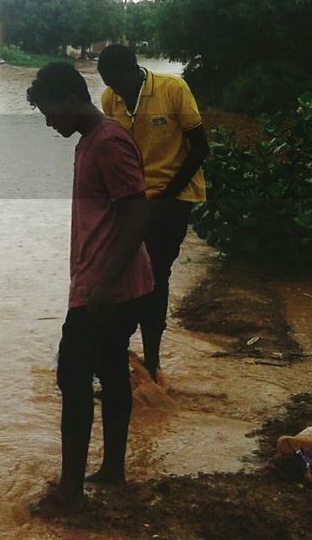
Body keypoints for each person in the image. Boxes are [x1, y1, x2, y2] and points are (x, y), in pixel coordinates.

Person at [28, 62, 153, 511]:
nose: (49, 122)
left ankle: (70, 492)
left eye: (49, 112)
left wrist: (103, 283)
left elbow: (138, 212)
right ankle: (112, 472)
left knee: (73, 378)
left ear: (68, 100)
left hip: (107, 288)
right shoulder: (91, 141)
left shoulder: (109, 141)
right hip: (109, 283)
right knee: (112, 372)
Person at [97, 45, 209, 382]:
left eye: (118, 82)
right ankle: (116, 353)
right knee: (120, 273)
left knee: (155, 275)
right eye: (109, 84)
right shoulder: (109, 100)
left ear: (134, 69)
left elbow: (200, 148)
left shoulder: (173, 90)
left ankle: (153, 359)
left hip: (174, 198)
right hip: (132, 202)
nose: (116, 91)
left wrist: (164, 200)